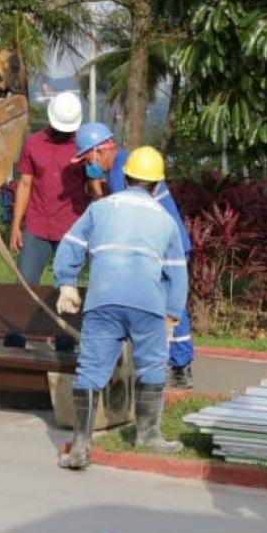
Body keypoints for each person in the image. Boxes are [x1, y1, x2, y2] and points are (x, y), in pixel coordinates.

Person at [50, 145, 188, 470]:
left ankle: (81, 446)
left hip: (104, 301)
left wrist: (67, 282)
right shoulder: (165, 220)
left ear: (125, 178)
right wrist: (172, 315)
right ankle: (148, 435)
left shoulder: (101, 208)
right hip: (148, 304)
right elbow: (176, 272)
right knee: (152, 367)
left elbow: (72, 244)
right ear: (157, 185)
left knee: (90, 370)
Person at [74, 122, 198, 388]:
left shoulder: (121, 175)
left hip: (161, 246)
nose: (87, 165)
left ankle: (179, 366)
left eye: (87, 158)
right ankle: (175, 364)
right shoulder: (129, 163)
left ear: (101, 151)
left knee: (167, 306)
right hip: (167, 242)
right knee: (168, 304)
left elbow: (125, 221)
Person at [8, 90, 88, 286]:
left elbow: (94, 190)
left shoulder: (83, 146)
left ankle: (60, 318)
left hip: (70, 228)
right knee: (24, 285)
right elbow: (25, 184)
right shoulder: (33, 143)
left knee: (66, 288)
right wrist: (16, 225)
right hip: (37, 225)